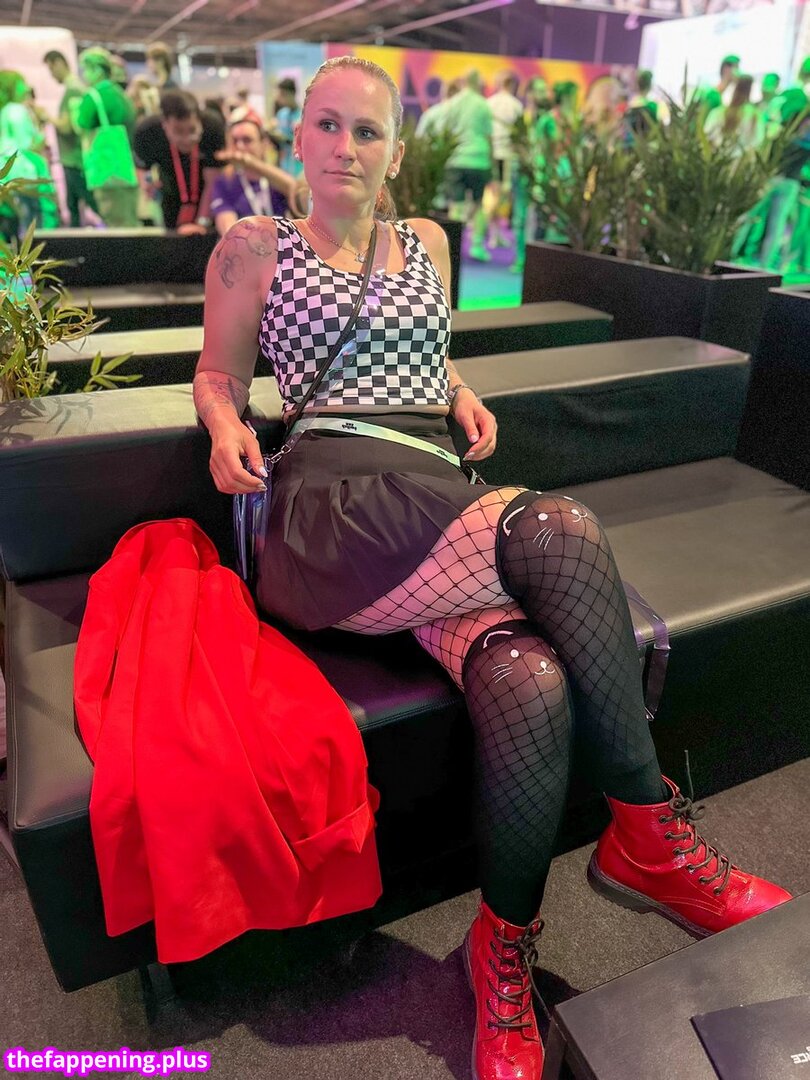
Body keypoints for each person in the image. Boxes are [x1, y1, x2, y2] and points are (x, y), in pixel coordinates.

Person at [193, 55, 792, 1080]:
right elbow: (217, 372)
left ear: (397, 152)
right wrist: (221, 426)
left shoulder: (427, 242)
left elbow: (426, 357)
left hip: (433, 496)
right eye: (327, 125)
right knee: (560, 531)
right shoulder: (254, 247)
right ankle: (647, 832)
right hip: (335, 503)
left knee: (529, 680)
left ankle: (500, 947)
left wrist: (459, 392)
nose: (345, 148)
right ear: (298, 135)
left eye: (367, 132)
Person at [133, 90, 225, 233]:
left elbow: (212, 182)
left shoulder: (212, 128)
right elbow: (143, 170)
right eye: (178, 131)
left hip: (204, 194)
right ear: (165, 124)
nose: (186, 139)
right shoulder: (147, 132)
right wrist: (149, 184)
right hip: (170, 193)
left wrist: (202, 223)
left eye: (192, 130)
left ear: (199, 121)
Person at [75, 47, 139, 227]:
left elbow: (81, 124)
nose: (84, 75)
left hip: (106, 170)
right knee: (129, 219)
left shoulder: (93, 95)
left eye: (86, 70)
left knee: (113, 219)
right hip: (126, 166)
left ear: (97, 69)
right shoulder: (121, 94)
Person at [210, 114, 304, 235]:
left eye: (247, 140)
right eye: (235, 141)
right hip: (245, 244)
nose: (240, 146)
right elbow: (228, 231)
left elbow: (295, 190)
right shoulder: (225, 182)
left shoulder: (275, 178)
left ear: (264, 144)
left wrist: (251, 163)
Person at [440, 70, 493, 260]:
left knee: (456, 206)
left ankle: (453, 247)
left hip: (457, 159)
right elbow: (489, 136)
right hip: (479, 160)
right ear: (478, 83)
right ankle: (477, 245)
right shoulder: (483, 104)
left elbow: (445, 133)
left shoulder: (452, 104)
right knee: (478, 204)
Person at [42, 50, 97, 226]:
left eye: (51, 69)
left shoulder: (73, 90)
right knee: (74, 208)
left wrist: (46, 116)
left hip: (75, 159)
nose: (51, 75)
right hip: (73, 159)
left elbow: (68, 127)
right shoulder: (75, 89)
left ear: (59, 63)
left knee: (89, 203)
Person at [485, 72, 523, 249]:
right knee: (504, 196)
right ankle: (495, 233)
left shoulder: (489, 103)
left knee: (493, 194)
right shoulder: (516, 105)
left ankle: (495, 233)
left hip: (491, 154)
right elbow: (519, 135)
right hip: (507, 155)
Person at [704, 74, 765, 153]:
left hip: (716, 157)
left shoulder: (717, 113)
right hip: (741, 159)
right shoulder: (756, 116)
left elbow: (707, 137)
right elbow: (757, 142)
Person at [269, 77, 302, 177]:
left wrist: (286, 139)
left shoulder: (303, 115)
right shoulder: (281, 114)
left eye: (283, 94)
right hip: (284, 165)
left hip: (299, 167)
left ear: (292, 94)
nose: (280, 98)